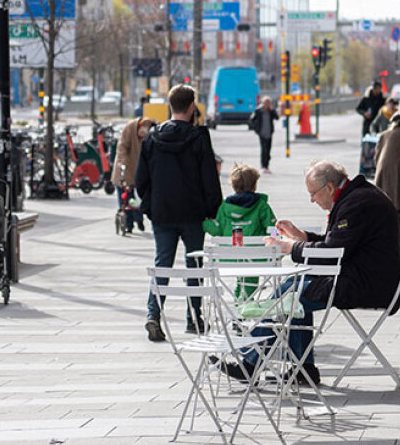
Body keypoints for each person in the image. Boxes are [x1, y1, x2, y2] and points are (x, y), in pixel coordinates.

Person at [220, 160, 400, 386]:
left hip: (367, 284)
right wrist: (302, 237)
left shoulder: (357, 204)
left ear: (329, 187)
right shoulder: (355, 196)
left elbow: (333, 252)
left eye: (313, 193)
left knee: (290, 294)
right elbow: (338, 243)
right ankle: (300, 369)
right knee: (292, 287)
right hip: (364, 276)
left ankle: (253, 363)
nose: (312, 200)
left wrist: (290, 248)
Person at [136, 84, 222, 342]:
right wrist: (213, 209)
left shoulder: (152, 138)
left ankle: (153, 314)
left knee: (162, 262)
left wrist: (150, 206)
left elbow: (141, 179)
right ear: (192, 107)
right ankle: (194, 319)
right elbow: (209, 176)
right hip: (193, 212)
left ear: (170, 106)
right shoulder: (198, 138)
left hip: (162, 212)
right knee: (194, 264)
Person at [203, 163, 277, 297]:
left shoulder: (225, 207)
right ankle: (244, 303)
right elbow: (272, 228)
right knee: (249, 276)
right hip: (256, 257)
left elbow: (217, 230)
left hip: (230, 256)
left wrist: (203, 222)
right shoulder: (261, 206)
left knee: (241, 277)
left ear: (233, 185)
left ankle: (240, 303)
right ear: (254, 185)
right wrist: (275, 239)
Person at [112, 116, 156, 233]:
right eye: (143, 129)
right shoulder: (129, 129)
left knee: (137, 199)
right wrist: (123, 161)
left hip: (137, 170)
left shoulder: (148, 137)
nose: (143, 133)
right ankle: (128, 224)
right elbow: (122, 147)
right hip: (124, 168)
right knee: (125, 198)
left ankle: (139, 219)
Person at [249, 96, 279, 173]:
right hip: (262, 133)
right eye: (266, 103)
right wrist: (256, 129)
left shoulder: (271, 111)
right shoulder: (258, 111)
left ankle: (267, 165)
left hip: (269, 133)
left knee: (268, 150)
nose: (267, 104)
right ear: (263, 103)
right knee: (263, 150)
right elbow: (251, 120)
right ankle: (263, 166)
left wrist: (272, 110)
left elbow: (277, 118)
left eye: (269, 103)